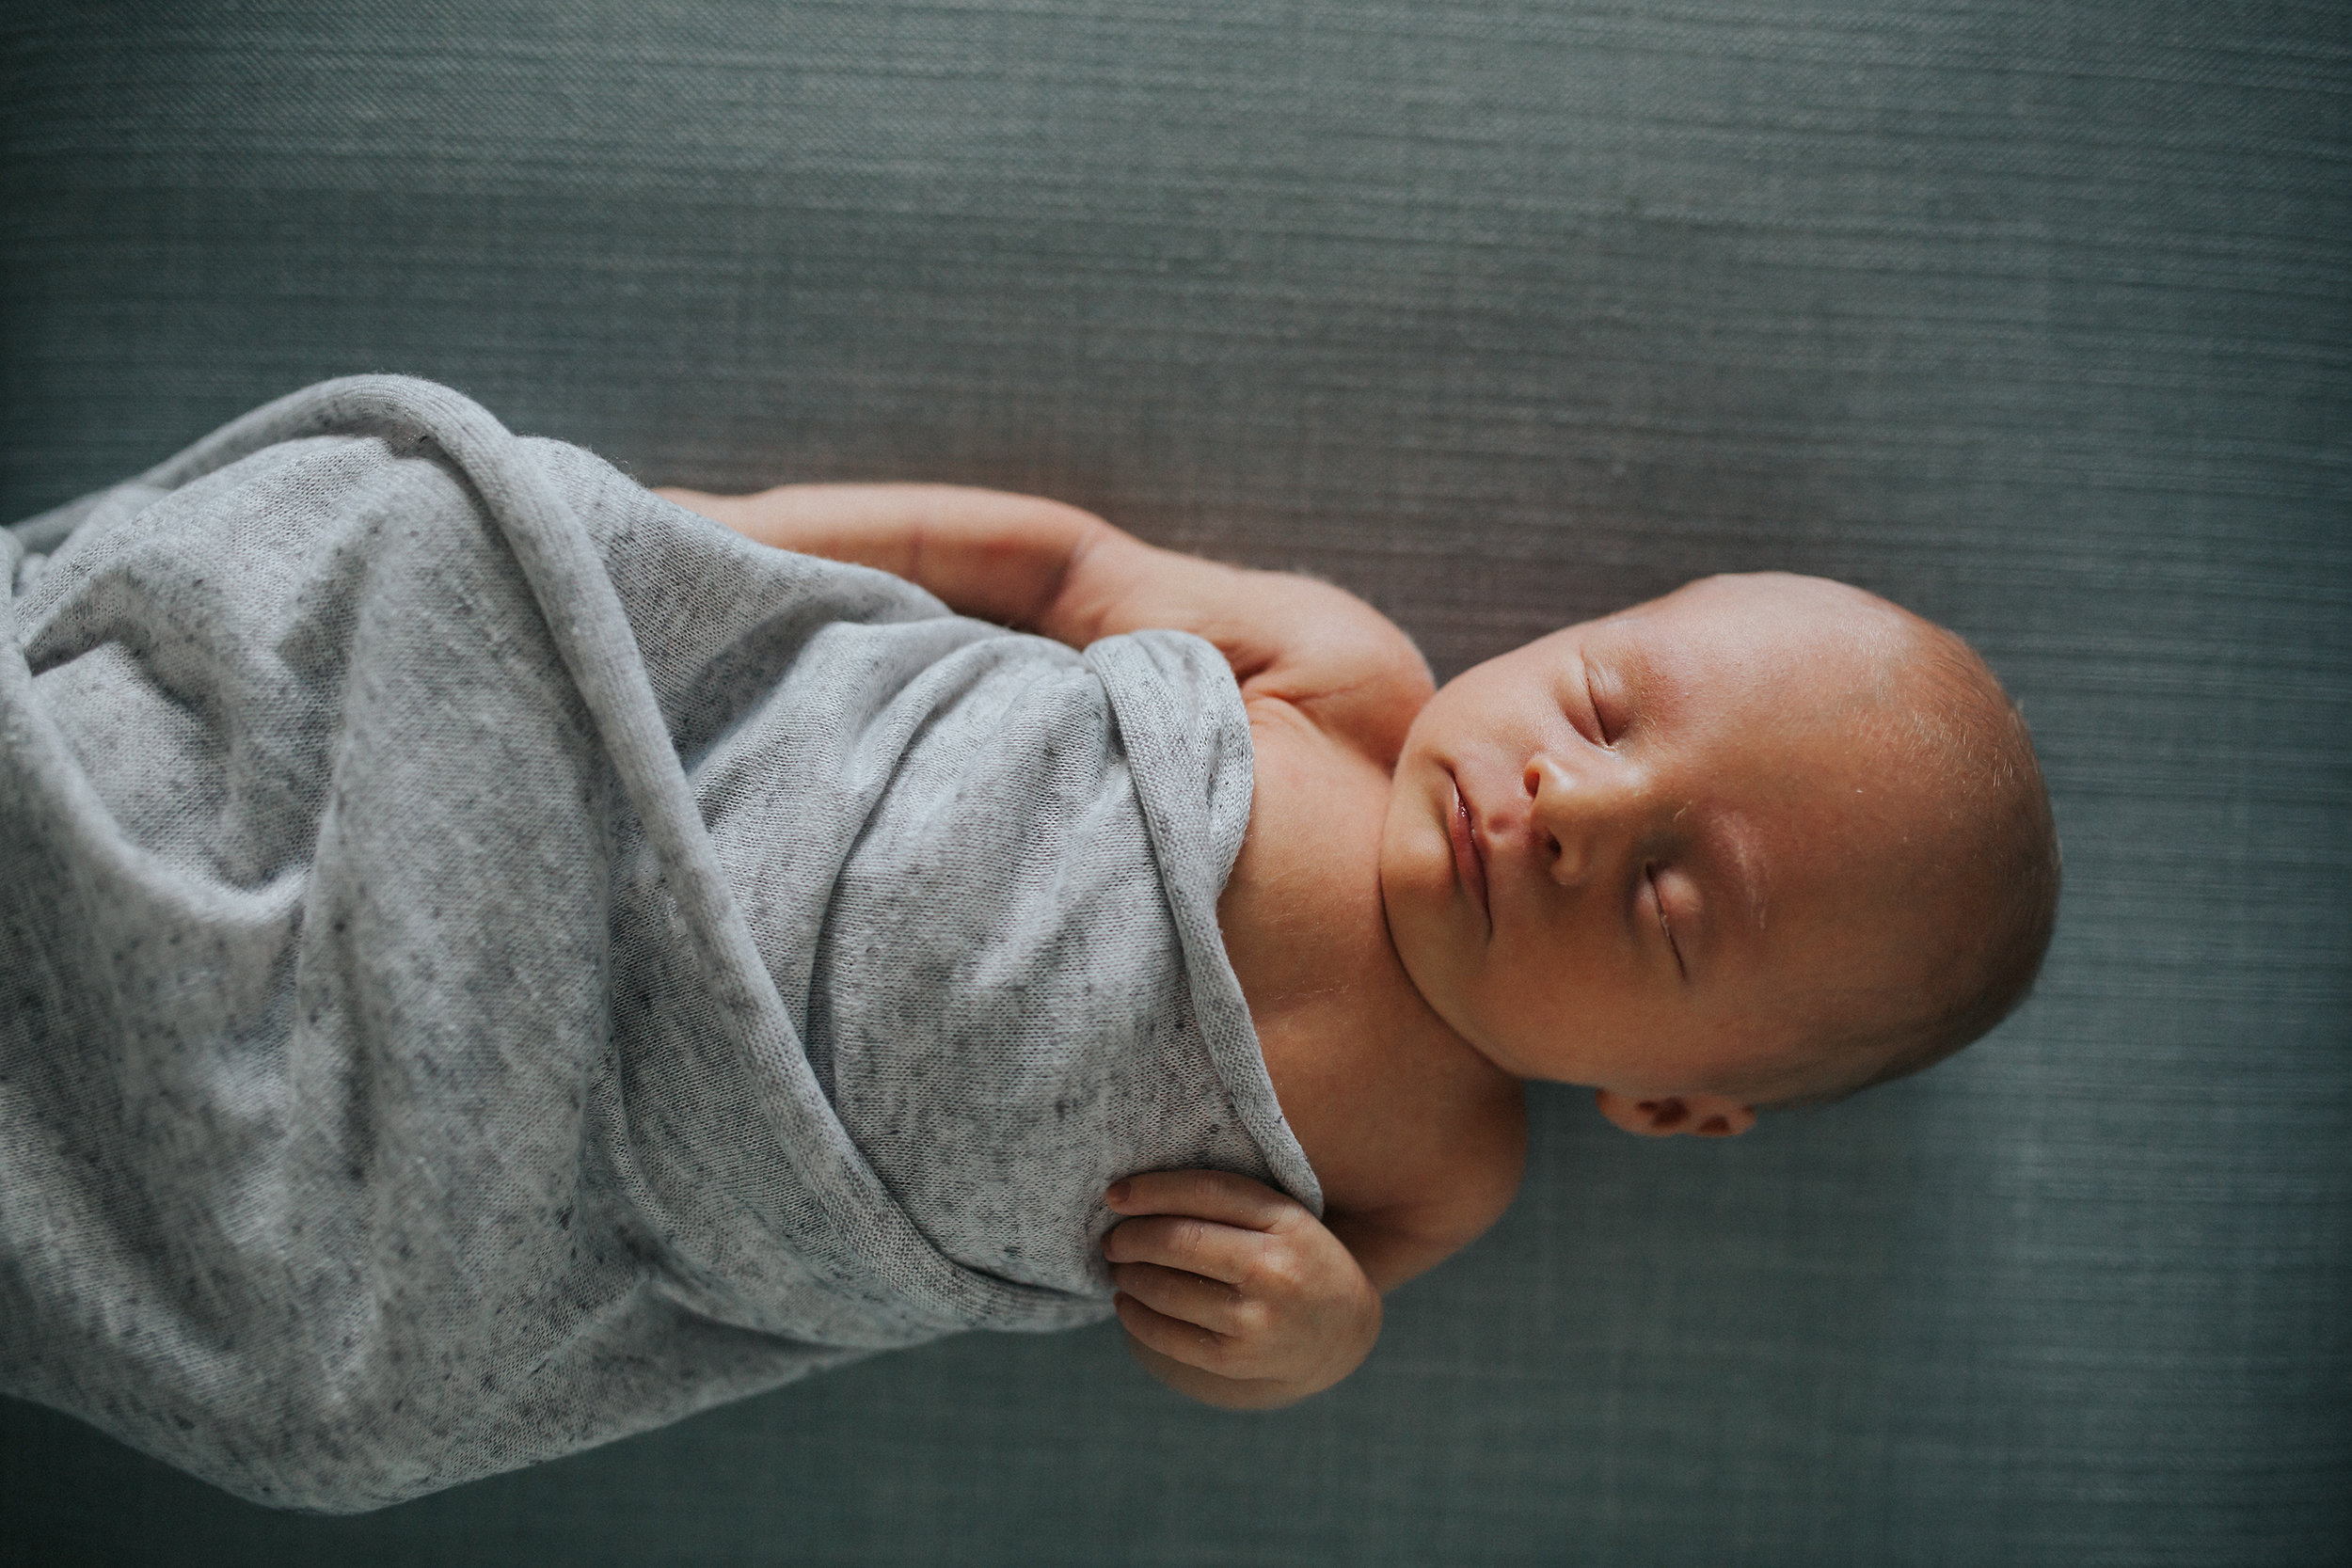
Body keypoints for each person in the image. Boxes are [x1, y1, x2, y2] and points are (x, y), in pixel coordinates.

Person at [655, 480, 2064, 1414]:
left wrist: (1315, 1334)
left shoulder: (1452, 1165)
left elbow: (1252, 1316)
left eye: (1667, 902)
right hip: (720, 785)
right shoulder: (1343, 685)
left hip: (730, 1166)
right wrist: (713, 542)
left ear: (1673, 1103)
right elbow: (1057, 565)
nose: (1572, 803)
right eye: (1601, 707)